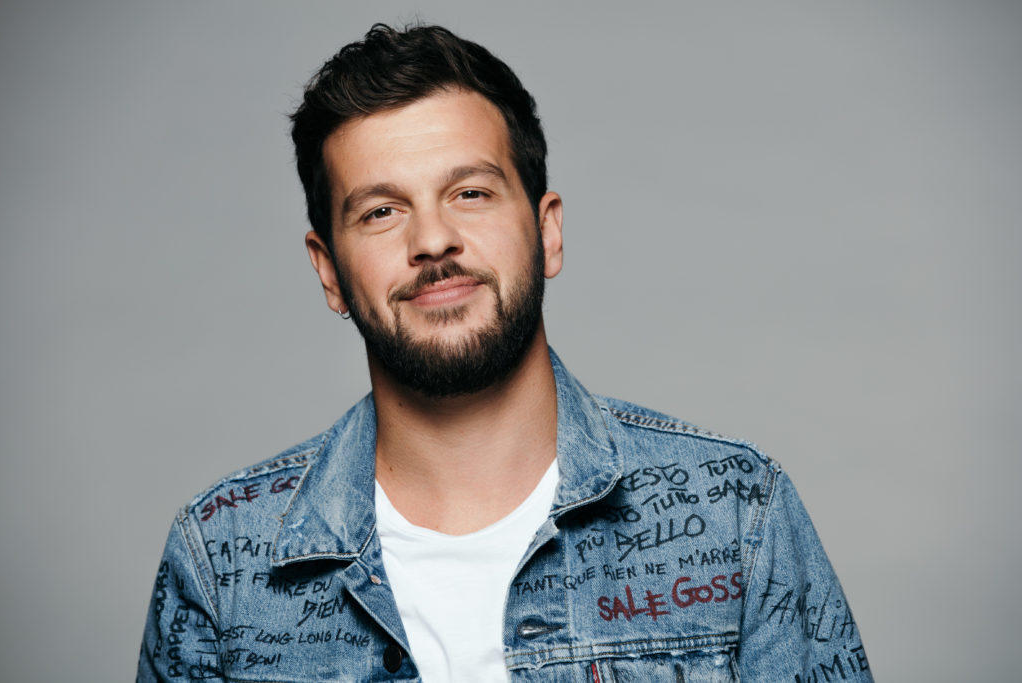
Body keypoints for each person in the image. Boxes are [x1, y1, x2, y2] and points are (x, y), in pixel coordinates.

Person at [137, 23, 871, 682]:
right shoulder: (220, 562)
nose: (432, 241)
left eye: (471, 194)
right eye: (382, 211)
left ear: (547, 233)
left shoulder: (736, 511)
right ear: (329, 272)